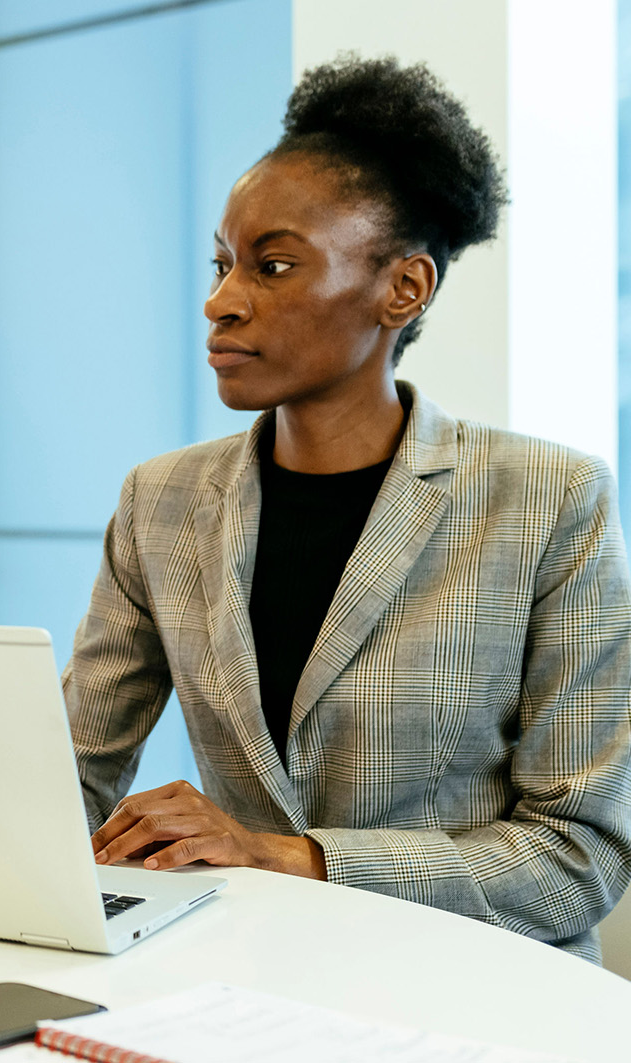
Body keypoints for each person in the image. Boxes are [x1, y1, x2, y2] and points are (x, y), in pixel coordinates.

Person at [67, 57, 631, 959]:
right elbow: (71, 781)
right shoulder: (160, 501)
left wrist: (298, 858)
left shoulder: (550, 500)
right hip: (243, 982)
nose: (220, 302)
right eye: (222, 264)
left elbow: (579, 857)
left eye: (274, 265)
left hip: (477, 994)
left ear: (402, 288)